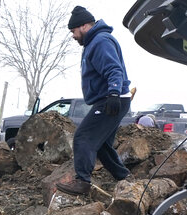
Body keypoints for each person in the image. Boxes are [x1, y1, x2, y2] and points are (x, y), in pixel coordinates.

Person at [55, 6, 133, 196]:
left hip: (111, 99)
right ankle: (124, 178)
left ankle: (82, 182)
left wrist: (114, 93)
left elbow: (114, 69)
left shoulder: (100, 41)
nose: (73, 36)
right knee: (102, 145)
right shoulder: (94, 42)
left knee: (83, 137)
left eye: (73, 31)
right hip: (112, 98)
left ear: (83, 26)